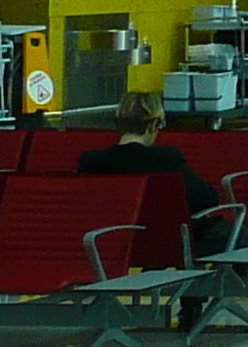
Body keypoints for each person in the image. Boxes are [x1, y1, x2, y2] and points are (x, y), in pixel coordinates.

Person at [75, 92, 231, 247]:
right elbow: (207, 199)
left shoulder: (90, 162)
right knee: (236, 235)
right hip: (167, 244)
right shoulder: (165, 159)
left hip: (109, 244)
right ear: (153, 124)